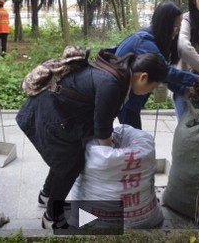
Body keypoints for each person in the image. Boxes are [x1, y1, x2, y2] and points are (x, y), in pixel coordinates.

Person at [16, 51, 169, 229]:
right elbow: (102, 127)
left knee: (64, 159)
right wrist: (109, 158)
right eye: (153, 87)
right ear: (143, 77)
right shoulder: (112, 83)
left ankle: (46, 196)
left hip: (57, 110)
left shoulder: (118, 72)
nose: (149, 93)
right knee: (71, 163)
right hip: (50, 113)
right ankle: (51, 216)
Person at [114, 1, 199, 129]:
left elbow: (162, 74)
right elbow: (166, 71)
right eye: (174, 26)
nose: (177, 31)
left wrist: (183, 91)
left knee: (134, 138)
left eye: (179, 26)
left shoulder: (156, 40)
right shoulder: (144, 43)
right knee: (132, 140)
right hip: (124, 100)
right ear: (164, 24)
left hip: (131, 100)